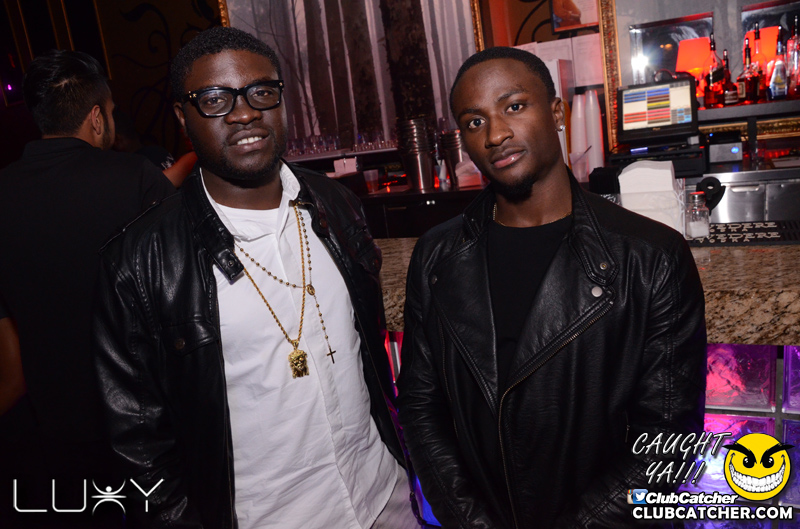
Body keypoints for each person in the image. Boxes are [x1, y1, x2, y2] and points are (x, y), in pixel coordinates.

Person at [93, 27, 418, 529]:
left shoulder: (335, 205)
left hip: (384, 498)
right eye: (214, 99)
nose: (244, 113)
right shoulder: (140, 261)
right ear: (182, 117)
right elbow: (138, 444)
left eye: (260, 92)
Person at [397, 46, 706, 528]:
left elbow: (667, 442)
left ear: (557, 113)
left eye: (514, 106)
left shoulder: (651, 256)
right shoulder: (437, 254)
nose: (496, 134)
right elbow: (421, 405)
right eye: (475, 122)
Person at [0, 49, 175, 526]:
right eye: (112, 111)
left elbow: (8, 347)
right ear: (96, 118)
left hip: (55, 437)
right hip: (146, 427)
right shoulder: (135, 178)